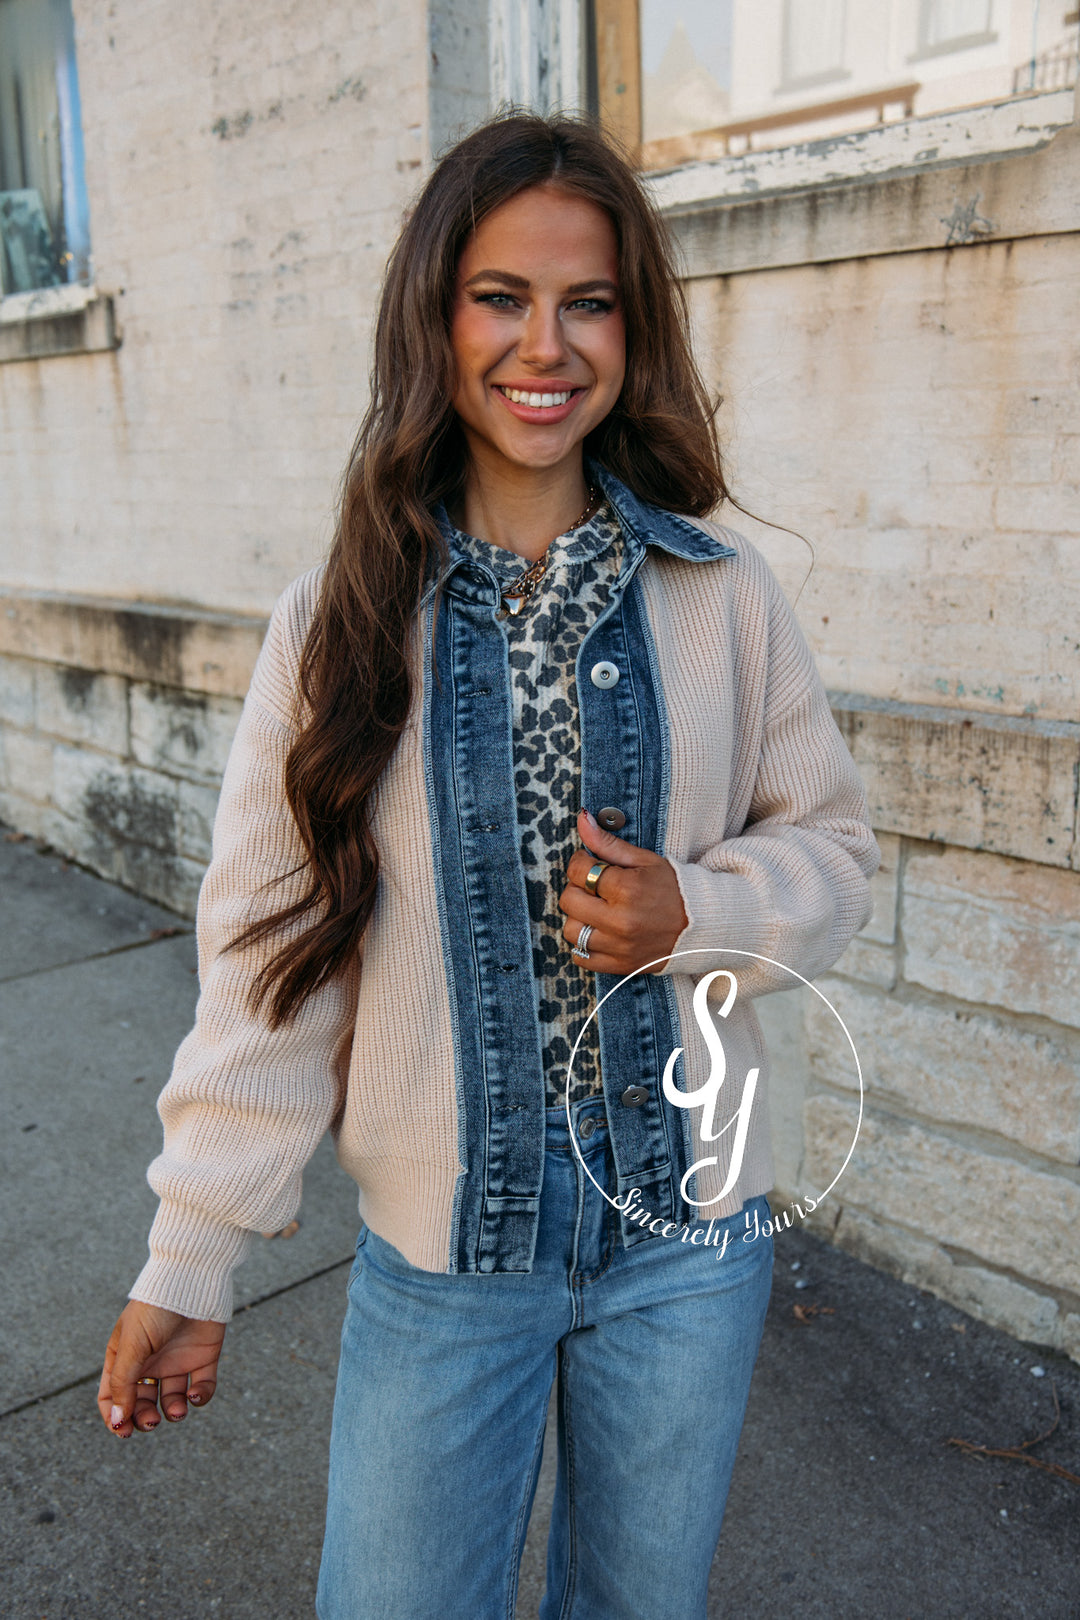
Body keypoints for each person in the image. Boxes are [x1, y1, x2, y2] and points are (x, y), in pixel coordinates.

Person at [97, 112, 879, 1619]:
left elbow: (837, 856)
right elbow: (271, 951)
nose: (548, 343)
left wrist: (698, 910)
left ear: (631, 328)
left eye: (588, 301)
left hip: (688, 1249)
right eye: (501, 296)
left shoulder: (722, 595)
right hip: (449, 1261)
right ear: (436, 318)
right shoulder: (337, 618)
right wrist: (188, 1257)